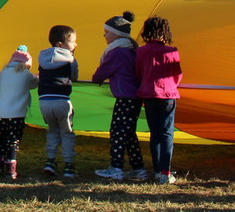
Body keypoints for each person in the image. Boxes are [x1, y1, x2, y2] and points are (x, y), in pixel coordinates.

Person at [92, 11, 147, 181]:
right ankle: (138, 167)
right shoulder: (132, 50)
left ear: (116, 34)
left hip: (125, 97)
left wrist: (96, 78)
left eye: (107, 32)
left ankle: (116, 167)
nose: (104, 35)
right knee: (129, 133)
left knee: (117, 131)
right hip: (135, 98)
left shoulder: (116, 53)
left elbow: (101, 73)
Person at [136, 15, 182, 185]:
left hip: (148, 95)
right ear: (165, 33)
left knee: (154, 133)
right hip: (168, 95)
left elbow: (138, 73)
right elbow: (177, 74)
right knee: (167, 133)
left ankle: (157, 171)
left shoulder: (141, 51)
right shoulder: (171, 51)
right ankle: (165, 172)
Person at [38, 24, 79, 178]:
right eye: (73, 41)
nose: (75, 45)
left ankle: (50, 161)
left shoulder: (43, 58)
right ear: (60, 44)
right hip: (62, 100)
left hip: (44, 101)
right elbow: (74, 76)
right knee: (67, 132)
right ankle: (68, 164)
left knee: (52, 130)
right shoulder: (70, 60)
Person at [0, 45, 37, 180]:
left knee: (1, 140)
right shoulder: (25, 75)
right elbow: (35, 83)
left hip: (1, 114)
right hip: (16, 115)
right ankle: (11, 170)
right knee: (13, 141)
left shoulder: (3, 73)